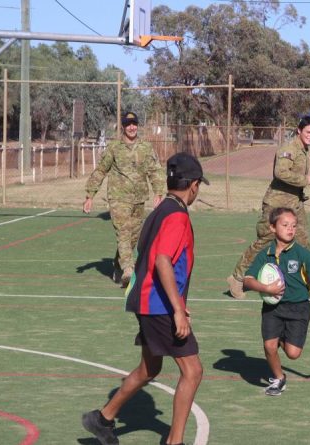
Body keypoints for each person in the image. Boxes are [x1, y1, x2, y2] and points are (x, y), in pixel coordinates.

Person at [82, 152, 208, 445]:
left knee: (150, 368)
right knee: (193, 370)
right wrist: (177, 309)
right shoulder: (176, 215)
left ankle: (102, 419)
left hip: (148, 301)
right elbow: (163, 260)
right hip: (159, 305)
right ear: (194, 185)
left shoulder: (160, 210)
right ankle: (174, 442)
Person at [243, 207, 310, 396]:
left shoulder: (302, 254)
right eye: (285, 225)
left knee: (293, 354)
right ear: (273, 227)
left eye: (293, 226)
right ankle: (279, 378)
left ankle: (282, 336)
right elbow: (247, 280)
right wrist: (267, 289)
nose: (290, 229)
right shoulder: (265, 254)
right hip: (272, 308)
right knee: (269, 345)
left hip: (298, 309)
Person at [227, 116, 310, 300]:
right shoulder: (289, 149)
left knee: (302, 243)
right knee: (265, 241)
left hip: (295, 205)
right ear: (299, 131)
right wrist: (305, 180)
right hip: (277, 204)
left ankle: (303, 286)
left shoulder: (303, 149)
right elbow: (280, 172)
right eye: (308, 132)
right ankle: (237, 278)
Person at [83, 111, 166, 288]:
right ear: (123, 127)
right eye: (128, 124)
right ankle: (128, 269)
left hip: (139, 199)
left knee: (132, 238)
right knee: (123, 233)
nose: (131, 127)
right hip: (118, 199)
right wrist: (90, 195)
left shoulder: (146, 147)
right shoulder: (114, 147)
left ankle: (118, 266)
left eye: (134, 123)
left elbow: (155, 170)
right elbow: (100, 171)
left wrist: (158, 192)